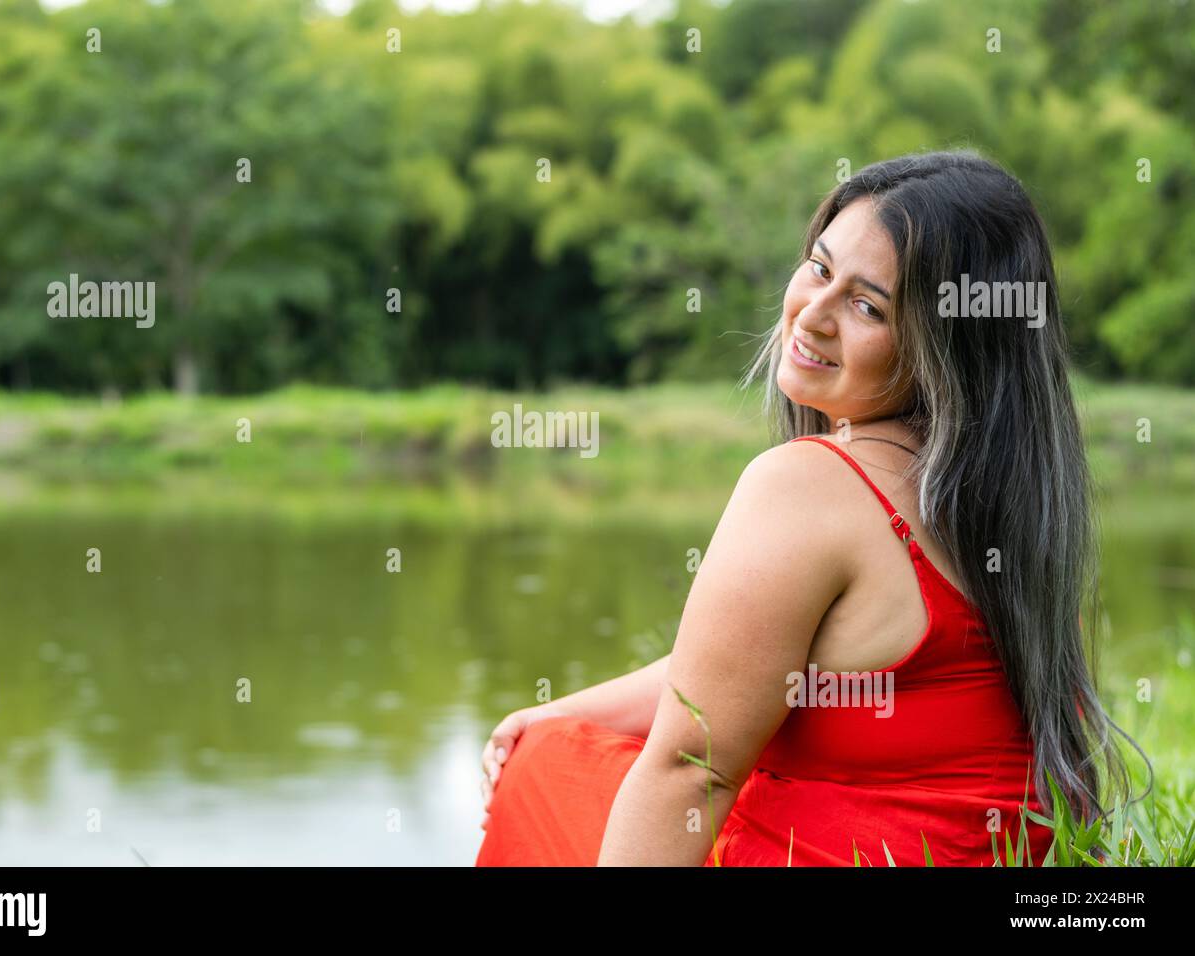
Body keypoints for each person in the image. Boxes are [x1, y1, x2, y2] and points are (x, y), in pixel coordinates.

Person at [474, 151, 1146, 867]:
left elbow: (689, 771)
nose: (813, 315)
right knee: (555, 737)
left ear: (948, 347)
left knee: (547, 769)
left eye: (867, 306)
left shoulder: (808, 485)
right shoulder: (1016, 515)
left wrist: (553, 738)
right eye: (820, 270)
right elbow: (740, 666)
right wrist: (563, 710)